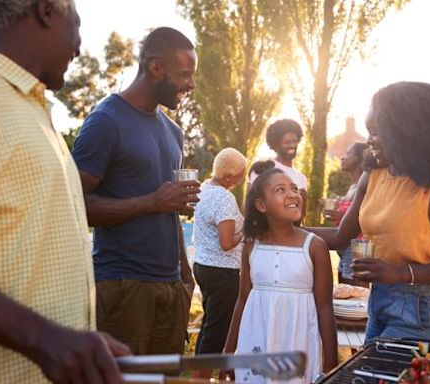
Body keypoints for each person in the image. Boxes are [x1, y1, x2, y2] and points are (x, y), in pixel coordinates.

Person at [0, 0, 131, 383]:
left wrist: (76, 336)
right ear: (47, 10)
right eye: (76, 26)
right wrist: (44, 338)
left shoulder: (34, 109)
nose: (79, 46)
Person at [309, 81, 430, 342]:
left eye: (376, 132)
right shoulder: (373, 175)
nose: (369, 141)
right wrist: (284, 230)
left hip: (420, 310)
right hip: (378, 301)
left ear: (405, 133)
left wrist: (400, 273)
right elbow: (341, 237)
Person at [72, 27, 199, 355]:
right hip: (122, 285)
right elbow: (74, 204)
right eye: (185, 74)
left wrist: (185, 280)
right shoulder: (105, 121)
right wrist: (154, 202)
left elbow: (170, 211)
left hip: (171, 287)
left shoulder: (174, 133)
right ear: (155, 68)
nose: (191, 84)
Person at [224, 168, 338, 383]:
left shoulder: (314, 246)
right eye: (281, 189)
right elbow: (242, 299)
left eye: (294, 188)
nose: (293, 194)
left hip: (297, 343)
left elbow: (325, 307)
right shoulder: (251, 245)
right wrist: (229, 351)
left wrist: (331, 365)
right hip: (256, 341)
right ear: (261, 205)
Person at [192, 147, 247, 378]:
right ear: (228, 176)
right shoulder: (224, 197)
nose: (241, 178)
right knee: (216, 331)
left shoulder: (204, 188)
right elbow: (227, 242)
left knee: (209, 327)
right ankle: (201, 378)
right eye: (239, 174)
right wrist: (248, 228)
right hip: (222, 271)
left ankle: (200, 375)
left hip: (204, 266)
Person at [322, 142, 369, 286]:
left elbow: (365, 214)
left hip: (359, 244)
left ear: (359, 159)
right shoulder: (353, 186)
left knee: (357, 294)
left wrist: (341, 216)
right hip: (345, 244)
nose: (343, 158)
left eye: (348, 154)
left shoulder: (366, 184)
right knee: (344, 291)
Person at [248, 119, 308, 218]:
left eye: (294, 141)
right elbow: (250, 207)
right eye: (287, 142)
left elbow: (300, 217)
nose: (292, 146)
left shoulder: (301, 178)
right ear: (276, 145)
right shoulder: (263, 169)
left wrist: (302, 202)